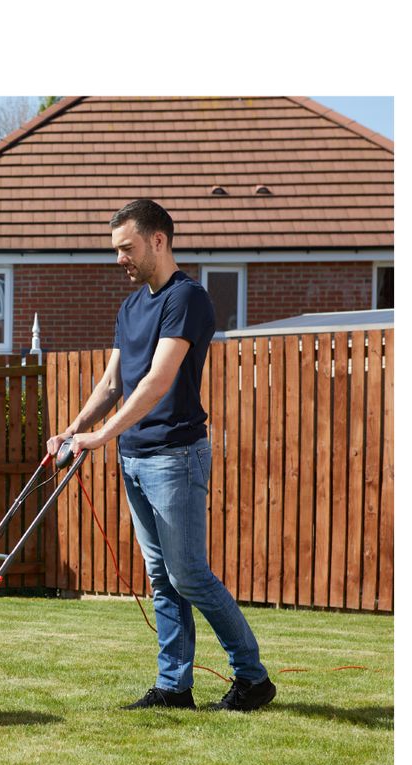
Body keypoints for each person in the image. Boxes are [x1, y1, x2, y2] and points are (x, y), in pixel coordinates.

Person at [47, 199, 276, 712]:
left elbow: (156, 382)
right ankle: (174, 687)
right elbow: (113, 382)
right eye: (115, 250)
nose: (119, 259)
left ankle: (253, 679)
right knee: (161, 576)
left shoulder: (187, 299)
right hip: (136, 457)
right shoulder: (130, 308)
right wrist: (72, 429)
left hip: (176, 454)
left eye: (126, 248)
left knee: (189, 573)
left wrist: (99, 437)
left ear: (157, 241)